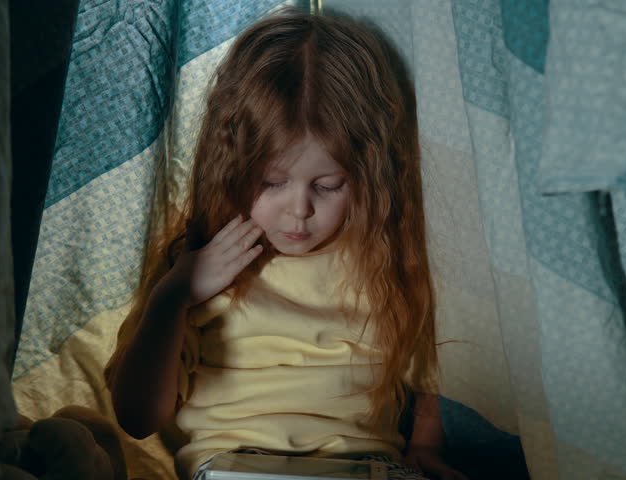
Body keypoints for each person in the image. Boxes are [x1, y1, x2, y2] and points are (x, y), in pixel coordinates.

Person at [104, 7, 467, 480]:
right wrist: (174, 297)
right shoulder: (198, 264)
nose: (299, 210)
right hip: (235, 466)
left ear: (367, 176)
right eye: (272, 182)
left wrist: (424, 445)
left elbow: (426, 372)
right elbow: (137, 418)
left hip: (362, 468)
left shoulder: (384, 258)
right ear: (232, 167)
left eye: (328, 185)